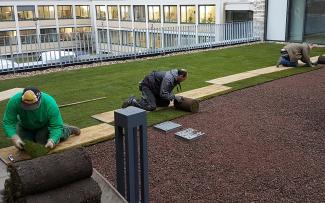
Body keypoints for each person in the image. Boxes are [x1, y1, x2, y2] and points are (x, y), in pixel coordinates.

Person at [2, 87, 81, 150]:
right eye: (27, 106)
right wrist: (14, 137)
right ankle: (33, 136)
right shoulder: (14, 101)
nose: (30, 108)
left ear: (39, 99)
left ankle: (67, 130)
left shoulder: (49, 103)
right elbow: (8, 122)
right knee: (23, 146)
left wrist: (52, 140)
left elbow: (56, 126)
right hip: (25, 126)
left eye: (32, 106)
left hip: (45, 125)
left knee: (42, 141)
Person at [121, 69, 188, 111]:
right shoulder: (168, 78)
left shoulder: (176, 77)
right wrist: (174, 97)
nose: (183, 81)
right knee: (152, 107)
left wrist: (172, 97)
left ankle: (146, 100)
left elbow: (167, 91)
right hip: (147, 86)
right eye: (184, 79)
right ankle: (132, 101)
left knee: (165, 102)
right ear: (181, 76)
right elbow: (163, 93)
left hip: (155, 88)